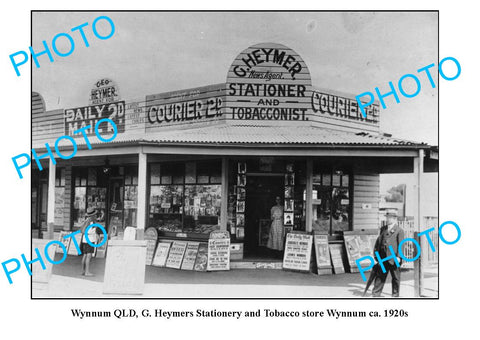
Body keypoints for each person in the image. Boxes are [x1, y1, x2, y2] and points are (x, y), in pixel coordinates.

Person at [372, 211, 405, 297]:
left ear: (394, 219)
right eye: (387, 217)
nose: (387, 219)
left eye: (389, 218)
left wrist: (399, 257)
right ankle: (376, 294)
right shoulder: (383, 229)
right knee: (380, 276)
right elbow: (379, 242)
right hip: (383, 258)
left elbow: (401, 245)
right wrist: (376, 255)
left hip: (394, 258)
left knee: (396, 278)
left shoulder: (399, 230)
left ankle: (395, 295)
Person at [80, 207, 98, 276]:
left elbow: (82, 230)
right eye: (95, 214)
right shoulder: (91, 221)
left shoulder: (86, 220)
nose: (95, 215)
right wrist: (93, 233)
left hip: (85, 240)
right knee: (89, 256)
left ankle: (83, 270)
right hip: (90, 240)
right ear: (93, 215)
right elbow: (86, 231)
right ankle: (87, 272)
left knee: (85, 255)